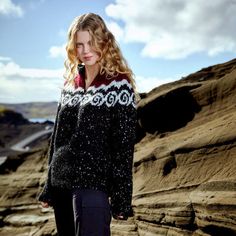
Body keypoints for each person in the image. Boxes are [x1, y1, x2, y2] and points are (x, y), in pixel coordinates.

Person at [38, 12, 139, 236]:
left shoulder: (119, 85)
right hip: (61, 185)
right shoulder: (69, 85)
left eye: (91, 43)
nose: (85, 51)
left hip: (93, 187)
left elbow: (123, 146)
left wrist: (122, 198)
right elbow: (57, 139)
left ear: (104, 41)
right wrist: (49, 186)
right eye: (79, 45)